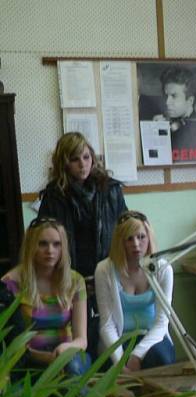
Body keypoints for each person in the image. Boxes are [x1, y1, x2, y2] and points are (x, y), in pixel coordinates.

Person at [38, 132, 128, 359]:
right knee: (81, 340)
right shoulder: (53, 196)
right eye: (75, 159)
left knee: (109, 337)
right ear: (64, 162)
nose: (83, 164)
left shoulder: (111, 190)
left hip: (106, 272)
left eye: (86, 157)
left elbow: (124, 230)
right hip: (71, 277)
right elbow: (44, 240)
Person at [95, 210, 178, 397]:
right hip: (119, 342)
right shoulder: (104, 270)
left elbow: (163, 322)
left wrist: (138, 355)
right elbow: (107, 324)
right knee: (149, 384)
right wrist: (121, 362)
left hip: (153, 339)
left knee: (160, 366)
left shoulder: (162, 268)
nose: (136, 244)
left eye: (141, 237)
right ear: (120, 242)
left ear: (149, 237)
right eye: (129, 239)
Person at [1, 218, 90, 378]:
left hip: (70, 357)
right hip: (28, 361)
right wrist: (47, 358)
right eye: (42, 244)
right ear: (30, 246)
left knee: (71, 366)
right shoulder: (10, 284)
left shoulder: (76, 281)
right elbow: (11, 342)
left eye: (57, 244)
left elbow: (82, 340)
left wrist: (65, 349)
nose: (50, 250)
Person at [154, 65, 196, 163]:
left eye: (174, 96)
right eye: (166, 96)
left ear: (190, 100)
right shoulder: (175, 122)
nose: (167, 102)